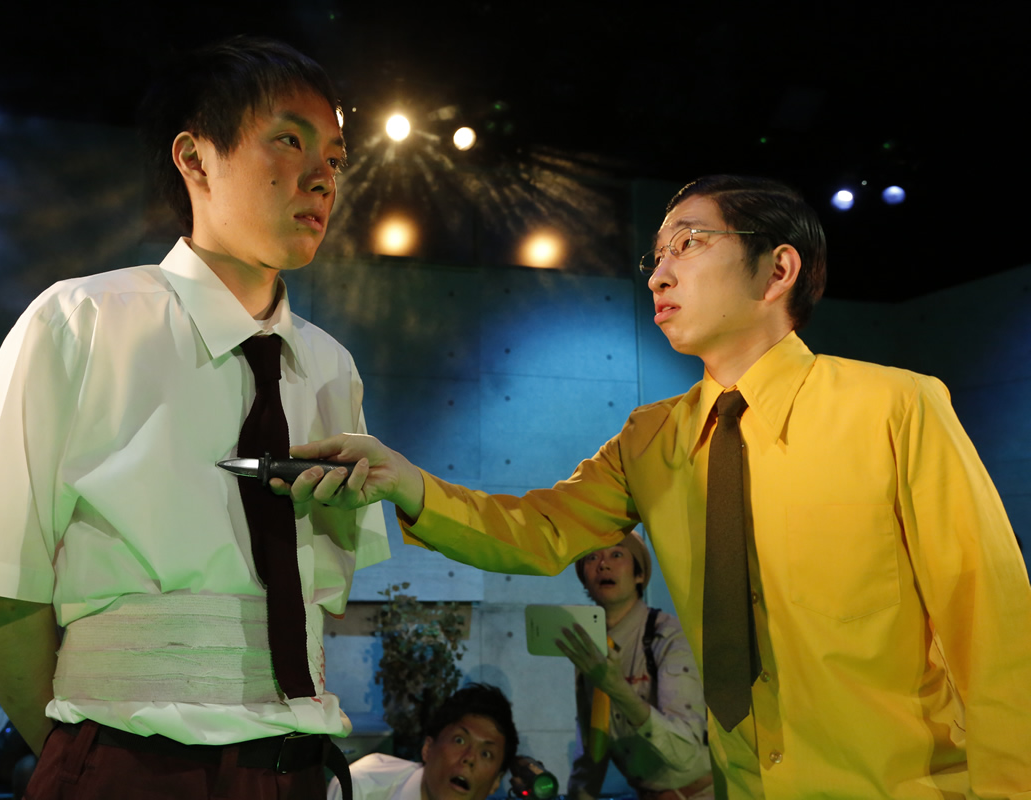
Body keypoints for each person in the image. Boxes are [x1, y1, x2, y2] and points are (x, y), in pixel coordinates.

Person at [283, 175, 1031, 798]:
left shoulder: (895, 406)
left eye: (690, 243)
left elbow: (993, 627)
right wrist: (407, 482)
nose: (658, 273)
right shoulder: (652, 438)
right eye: (657, 252)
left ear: (778, 270)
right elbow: (539, 530)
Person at [0, 36, 389, 800]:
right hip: (123, 756)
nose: (322, 177)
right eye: (290, 141)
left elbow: (328, 596)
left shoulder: (332, 368)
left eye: (336, 158)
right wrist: (80, 756)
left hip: (295, 766)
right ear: (195, 158)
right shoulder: (78, 321)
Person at [559, 531, 712, 800]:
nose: (603, 564)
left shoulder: (669, 636)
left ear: (639, 575)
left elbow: (685, 753)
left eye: (616, 554)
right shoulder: (590, 647)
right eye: (592, 557)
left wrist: (616, 688)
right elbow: (592, 747)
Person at [327, 684, 517, 800]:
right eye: (459, 740)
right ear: (427, 748)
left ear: (496, 782)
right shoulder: (361, 788)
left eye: (486, 754)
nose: (469, 758)